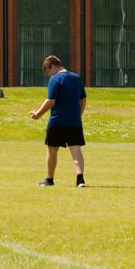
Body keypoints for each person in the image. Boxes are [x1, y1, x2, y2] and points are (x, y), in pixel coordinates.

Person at [30, 55, 87, 188]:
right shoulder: (76, 78)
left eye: (48, 72)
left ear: (53, 67)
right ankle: (80, 180)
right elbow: (83, 100)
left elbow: (50, 100)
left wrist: (38, 114)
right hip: (74, 122)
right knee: (76, 149)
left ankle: (49, 179)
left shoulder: (55, 79)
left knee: (52, 150)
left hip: (57, 121)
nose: (49, 75)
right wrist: (79, 115)